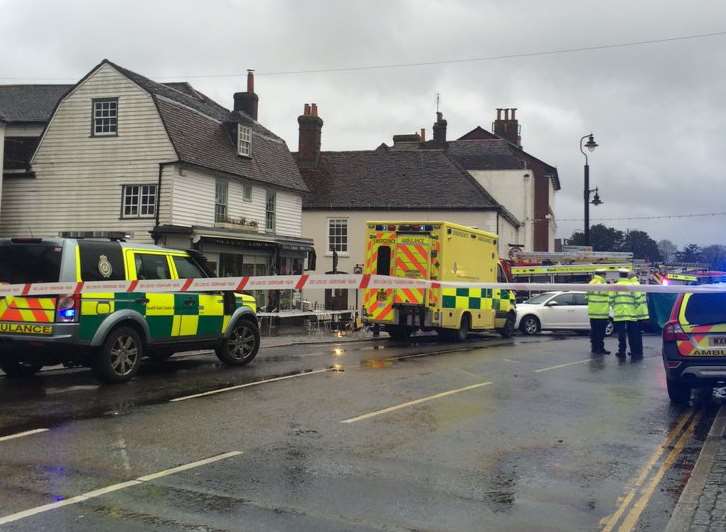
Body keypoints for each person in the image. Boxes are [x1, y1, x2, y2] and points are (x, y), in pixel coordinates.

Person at [611, 269, 635, 359]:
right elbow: (636, 298)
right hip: (630, 313)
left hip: (619, 313)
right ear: (627, 275)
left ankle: (622, 351)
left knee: (621, 334)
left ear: (619, 275)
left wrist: (615, 307)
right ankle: (632, 351)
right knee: (632, 334)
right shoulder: (632, 285)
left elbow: (611, 299)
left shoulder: (615, 286)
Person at [587, 269, 610, 355]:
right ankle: (600, 348)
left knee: (594, 331)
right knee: (601, 333)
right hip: (601, 313)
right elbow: (609, 295)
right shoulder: (603, 284)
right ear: (603, 275)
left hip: (593, 312)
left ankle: (594, 348)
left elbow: (586, 297)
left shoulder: (591, 283)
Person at [629, 273, 649, 360]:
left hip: (635, 314)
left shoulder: (633, 285)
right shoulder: (638, 284)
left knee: (634, 335)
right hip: (641, 313)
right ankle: (638, 351)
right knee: (638, 334)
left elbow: (637, 299)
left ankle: (636, 352)